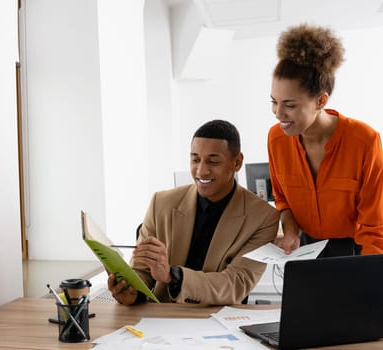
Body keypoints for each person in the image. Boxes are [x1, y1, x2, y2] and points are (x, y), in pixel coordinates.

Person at [108, 120, 280, 305]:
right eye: (195, 160)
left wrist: (173, 276)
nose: (201, 171)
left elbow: (234, 284)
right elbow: (142, 271)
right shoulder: (161, 203)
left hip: (217, 320)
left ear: (237, 162)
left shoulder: (263, 217)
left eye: (213, 161)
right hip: (162, 317)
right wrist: (132, 291)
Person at [268, 23, 383, 256]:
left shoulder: (365, 142)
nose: (278, 113)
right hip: (304, 248)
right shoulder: (276, 138)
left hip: (355, 249)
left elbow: (375, 226)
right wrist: (290, 230)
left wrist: (369, 276)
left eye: (290, 105)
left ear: (321, 101)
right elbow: (282, 199)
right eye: (274, 101)